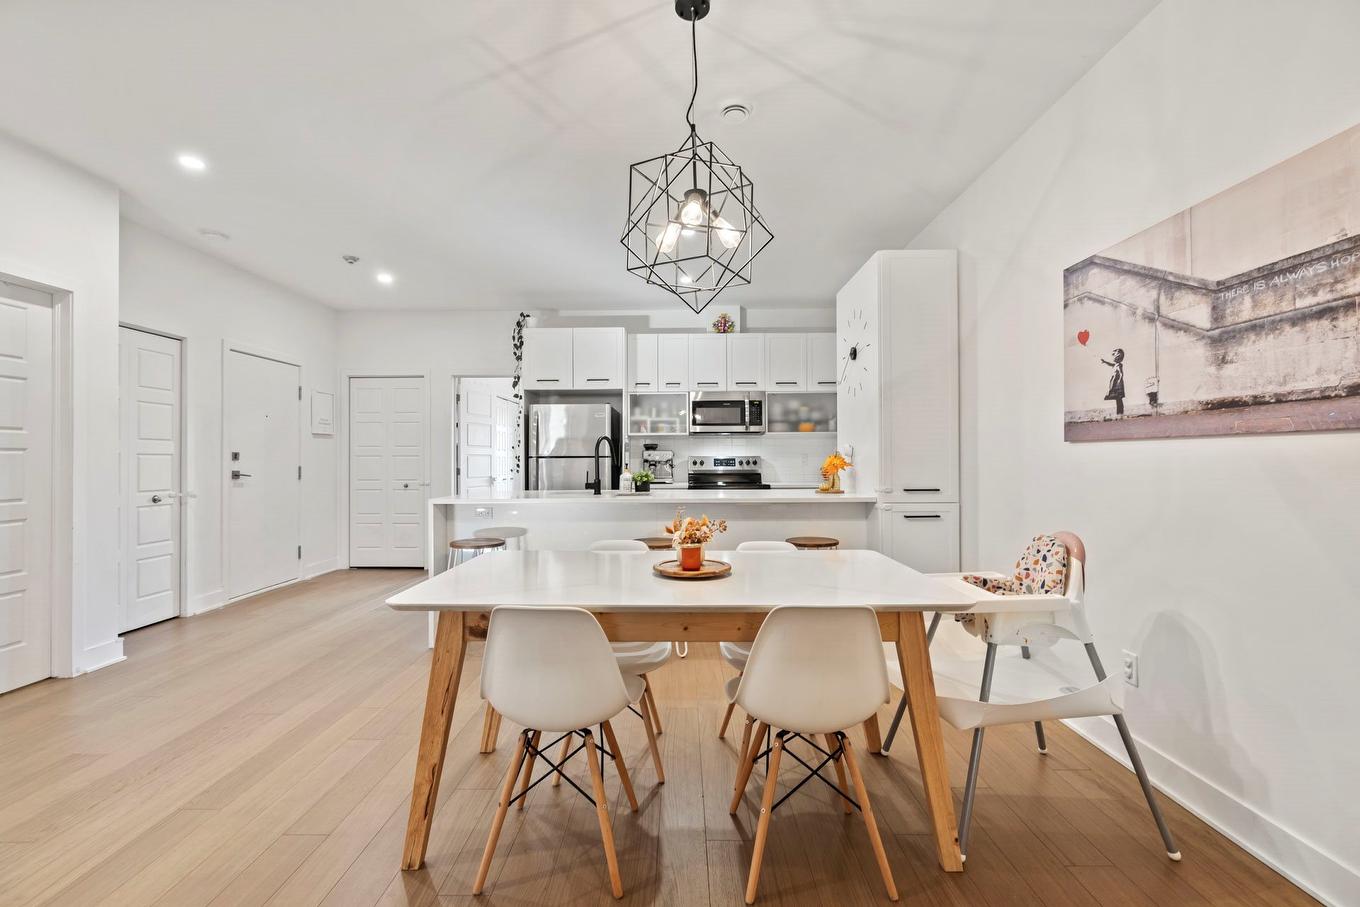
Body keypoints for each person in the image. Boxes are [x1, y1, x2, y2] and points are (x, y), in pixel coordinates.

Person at [1101, 348, 1126, 415]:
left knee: (1119, 399)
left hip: (1117, 384)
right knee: (1118, 399)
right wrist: (1105, 362)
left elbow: (1121, 373)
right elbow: (1111, 364)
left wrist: (1120, 379)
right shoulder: (1115, 365)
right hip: (1116, 383)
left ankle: (1120, 412)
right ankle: (1119, 412)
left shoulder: (1118, 365)